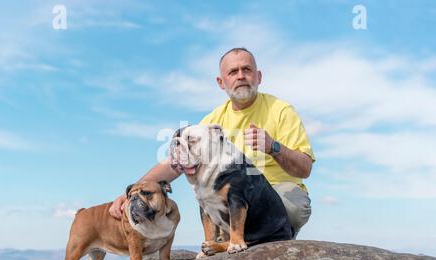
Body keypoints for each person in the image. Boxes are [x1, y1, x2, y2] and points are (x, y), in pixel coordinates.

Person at [110, 47, 315, 239]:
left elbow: (304, 168)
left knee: (293, 209)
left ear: (258, 76)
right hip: (233, 197)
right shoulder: (210, 122)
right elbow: (173, 164)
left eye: (247, 70)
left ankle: (272, 241)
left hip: (277, 190)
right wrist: (130, 193)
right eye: (233, 72)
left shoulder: (281, 110)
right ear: (221, 82)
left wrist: (273, 147)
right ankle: (227, 240)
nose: (241, 76)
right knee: (213, 193)